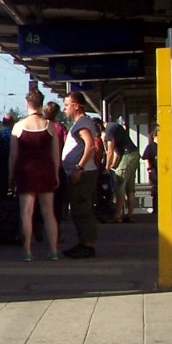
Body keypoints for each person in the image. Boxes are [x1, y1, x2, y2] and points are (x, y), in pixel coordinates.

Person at [8, 91, 60, 261]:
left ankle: (28, 251)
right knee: (48, 213)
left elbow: (13, 155)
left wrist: (11, 175)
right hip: (46, 171)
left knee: (26, 213)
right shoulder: (49, 126)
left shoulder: (18, 127)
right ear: (41, 104)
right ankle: (53, 251)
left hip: (25, 171)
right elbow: (55, 155)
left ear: (27, 104)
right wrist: (56, 174)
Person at [62, 92, 100, 258]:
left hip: (82, 175)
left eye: (67, 105)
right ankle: (84, 243)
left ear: (76, 105)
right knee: (79, 210)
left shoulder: (83, 124)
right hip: (82, 173)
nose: (64, 109)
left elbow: (90, 146)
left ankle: (87, 245)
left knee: (82, 210)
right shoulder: (82, 122)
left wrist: (79, 168)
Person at [104, 117, 141, 223]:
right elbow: (116, 152)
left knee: (119, 181)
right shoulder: (115, 127)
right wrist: (113, 165)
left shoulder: (109, 130)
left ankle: (118, 215)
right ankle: (130, 214)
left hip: (128, 154)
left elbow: (110, 151)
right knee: (129, 186)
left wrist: (107, 168)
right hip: (133, 154)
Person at [44, 100, 69, 225]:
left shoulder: (40, 125)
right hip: (57, 167)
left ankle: (39, 224)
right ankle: (56, 227)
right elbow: (66, 145)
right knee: (58, 198)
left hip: (42, 168)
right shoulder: (60, 128)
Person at [142, 125, 159, 215]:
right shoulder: (151, 146)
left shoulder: (151, 146)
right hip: (155, 171)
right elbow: (146, 159)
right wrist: (149, 168)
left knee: (155, 191)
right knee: (155, 190)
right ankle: (156, 209)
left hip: (156, 171)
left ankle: (156, 209)